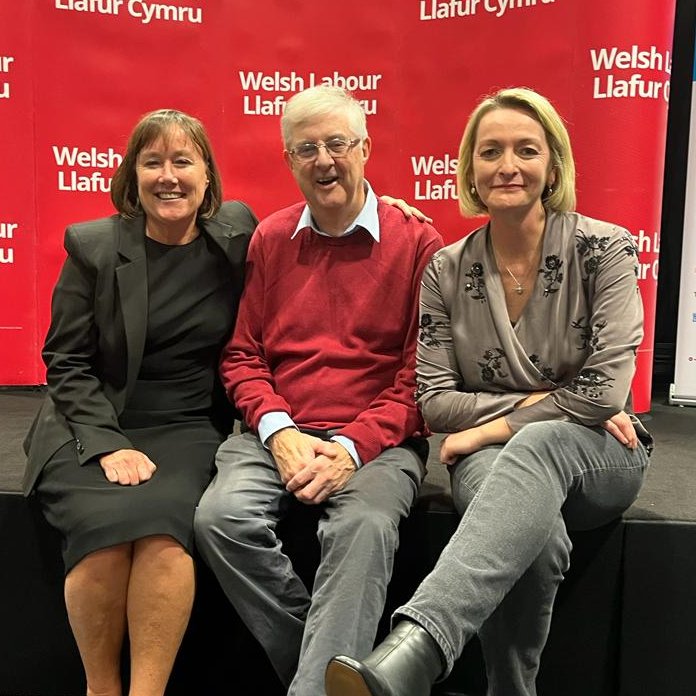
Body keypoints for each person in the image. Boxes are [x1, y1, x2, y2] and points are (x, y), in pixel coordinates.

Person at [325, 87, 653, 696]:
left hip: (601, 454)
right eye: (491, 151)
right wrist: (542, 406)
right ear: (470, 170)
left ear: (553, 165)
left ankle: (418, 647)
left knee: (542, 445)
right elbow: (436, 402)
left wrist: (486, 428)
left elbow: (607, 392)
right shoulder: (446, 270)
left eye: (526, 150)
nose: (508, 165)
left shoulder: (605, 249)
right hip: (493, 456)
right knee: (538, 535)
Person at [193, 85, 444, 696]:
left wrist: (352, 448)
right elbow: (244, 355)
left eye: (338, 143)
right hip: (277, 431)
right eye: (307, 148)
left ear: (366, 147)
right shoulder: (271, 239)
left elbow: (420, 381)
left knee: (362, 529)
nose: (325, 160)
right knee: (219, 519)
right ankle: (337, 672)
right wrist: (279, 433)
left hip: (377, 441)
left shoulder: (418, 243)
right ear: (289, 159)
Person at [22, 108, 257, 696]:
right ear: (132, 176)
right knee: (103, 533)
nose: (168, 176)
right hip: (91, 420)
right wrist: (106, 445)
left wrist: (389, 209)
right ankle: (101, 689)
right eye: (152, 162)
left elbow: (320, 222)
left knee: (160, 535)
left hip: (185, 425)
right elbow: (67, 363)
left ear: (208, 177)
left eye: (183, 161)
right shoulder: (94, 246)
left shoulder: (236, 233)